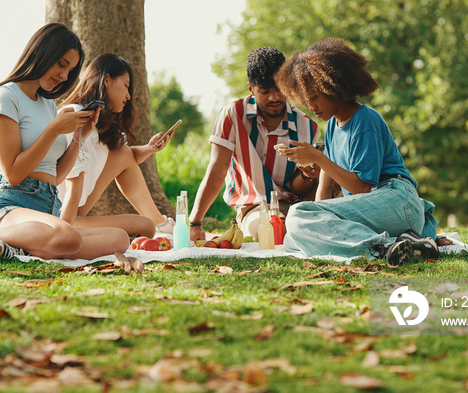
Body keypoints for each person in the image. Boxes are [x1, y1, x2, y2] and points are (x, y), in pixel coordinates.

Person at [0, 23, 130, 262]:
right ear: (43, 53)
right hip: (12, 204)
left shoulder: (48, 105)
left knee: (119, 238)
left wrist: (78, 139)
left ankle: (13, 249)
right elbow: (13, 174)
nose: (64, 76)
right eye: (62, 64)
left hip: (48, 204)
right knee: (68, 238)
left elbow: (56, 175)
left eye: (70, 70)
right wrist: (53, 130)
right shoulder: (5, 96)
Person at [273, 37, 439, 264]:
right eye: (305, 100)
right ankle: (410, 244)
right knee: (293, 237)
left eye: (314, 98)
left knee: (299, 215)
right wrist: (318, 212)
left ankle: (384, 247)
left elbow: (362, 188)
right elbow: (324, 189)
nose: (311, 107)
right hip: (375, 211)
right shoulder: (332, 126)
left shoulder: (365, 120)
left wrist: (318, 157)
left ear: (333, 87)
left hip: (395, 199)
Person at [189, 47, 320, 241]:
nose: (274, 98)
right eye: (265, 92)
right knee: (272, 232)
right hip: (256, 208)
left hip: (298, 205)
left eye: (279, 89)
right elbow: (217, 169)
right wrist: (195, 222)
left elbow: (296, 187)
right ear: (251, 89)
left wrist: (307, 176)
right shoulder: (232, 115)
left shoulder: (308, 127)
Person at [56, 54, 174, 238]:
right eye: (126, 86)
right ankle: (159, 225)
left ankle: (160, 223)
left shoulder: (98, 123)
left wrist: (150, 149)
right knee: (144, 226)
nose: (128, 95)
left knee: (122, 151)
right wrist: (64, 232)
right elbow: (73, 184)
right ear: (107, 79)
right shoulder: (76, 118)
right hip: (62, 216)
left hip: (75, 212)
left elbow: (126, 159)